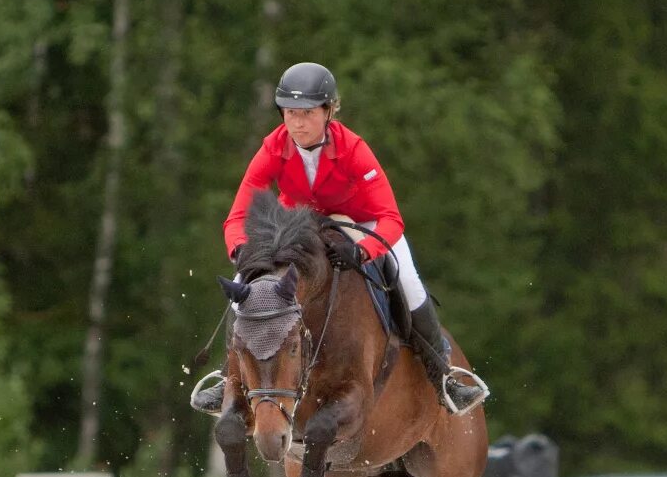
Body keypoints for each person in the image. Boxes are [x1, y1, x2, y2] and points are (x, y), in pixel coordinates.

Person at [194, 61, 488, 417]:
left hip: (359, 222)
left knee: (408, 280)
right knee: (245, 287)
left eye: (306, 113)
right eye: (289, 113)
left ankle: (443, 376)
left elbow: (391, 219)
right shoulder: (273, 147)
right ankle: (229, 381)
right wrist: (241, 248)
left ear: (328, 111)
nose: (297, 124)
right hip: (299, 226)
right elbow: (237, 216)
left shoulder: (353, 149)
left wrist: (363, 252)